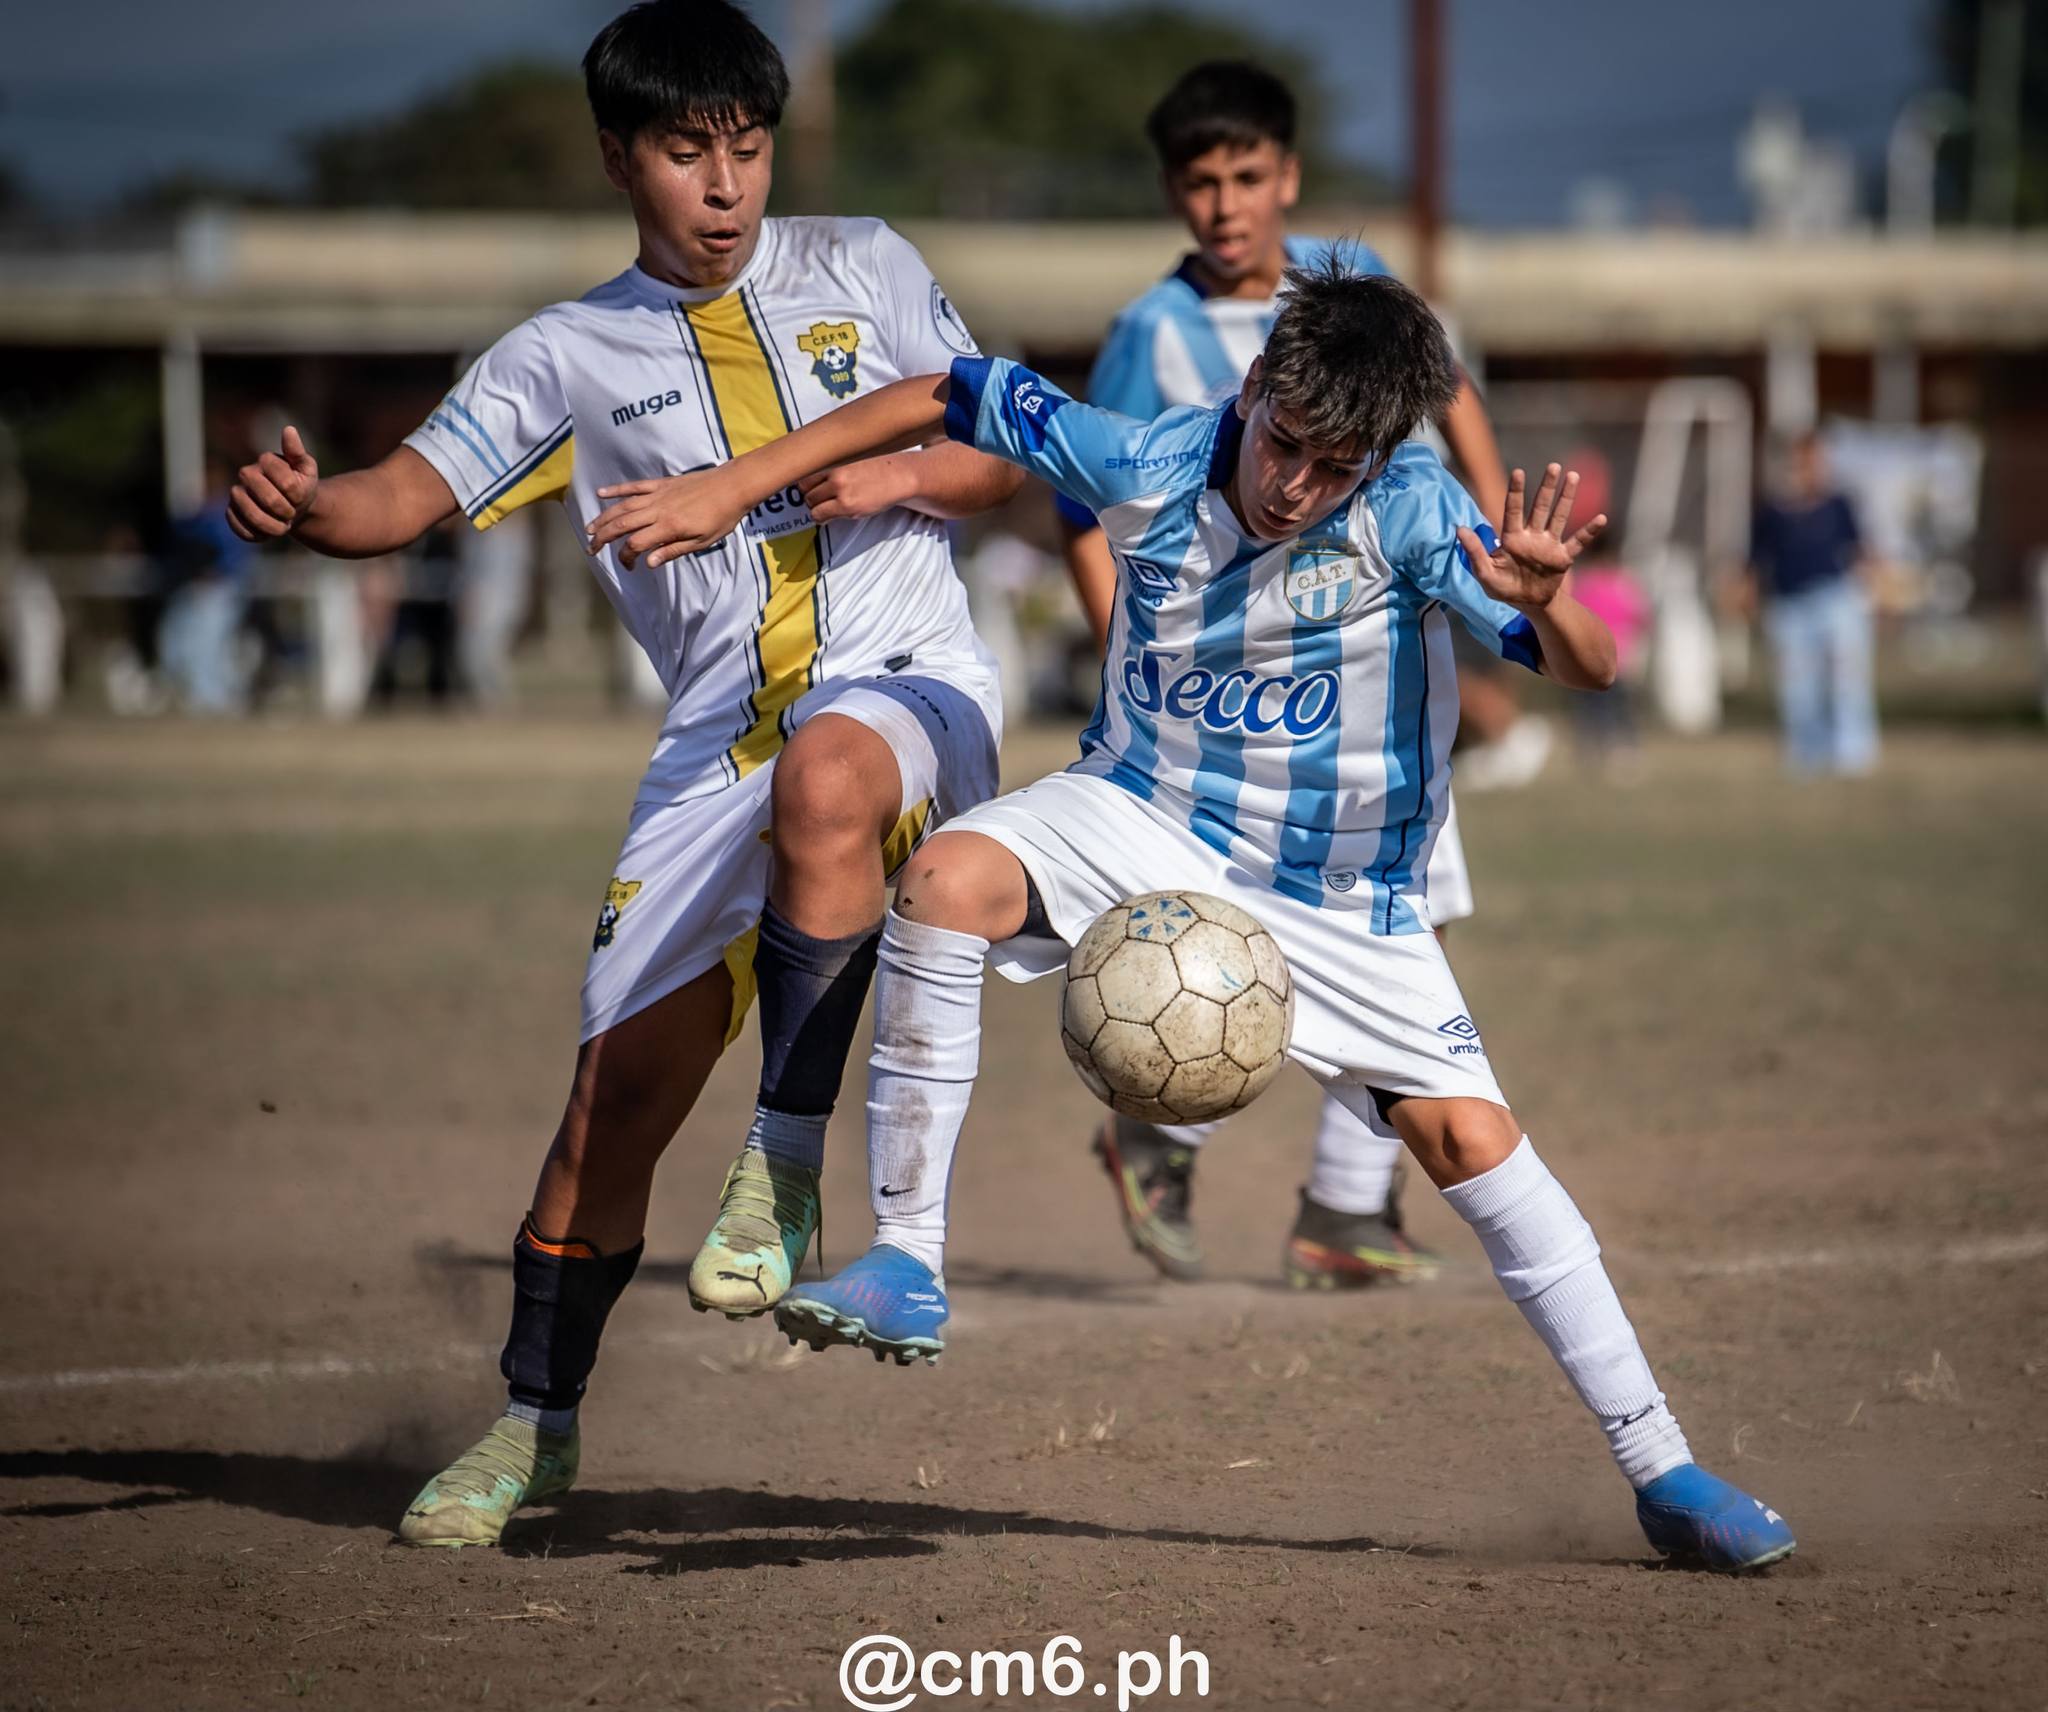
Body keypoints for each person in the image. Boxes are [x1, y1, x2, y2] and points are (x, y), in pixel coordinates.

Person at [589, 260, 1799, 1574]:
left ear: (1379, 462)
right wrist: (733, 483)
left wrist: (1545, 602)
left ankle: (1663, 1467)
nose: (1295, 484)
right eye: (1284, 442)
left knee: (1473, 1146)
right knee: (945, 882)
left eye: (1336, 467)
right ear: (1254, 388)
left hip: (1342, 897)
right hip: (1139, 816)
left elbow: (1591, 672)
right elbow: (945, 388)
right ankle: (908, 1259)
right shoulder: (1149, 454)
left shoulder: (1413, 515)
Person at [224, 0, 1021, 1548]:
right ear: (616, 157)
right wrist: (309, 511)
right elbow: (407, 492)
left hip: (911, 693)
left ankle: (787, 1164)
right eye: (684, 152)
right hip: (714, 754)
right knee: (608, 1119)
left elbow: (1000, 453)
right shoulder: (565, 352)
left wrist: (887, 476)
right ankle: (534, 1424)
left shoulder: (869, 262)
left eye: (747, 147)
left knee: (833, 783)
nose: (726, 186)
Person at [1056, 61, 1508, 1290]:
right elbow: (1085, 503)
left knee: (1417, 908)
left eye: (1245, 175)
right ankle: (1179, 1134)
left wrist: (1489, 536)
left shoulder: (1343, 283)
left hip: (1364, 666)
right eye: (1197, 182)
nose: (1223, 204)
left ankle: (1339, 1206)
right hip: (1234, 698)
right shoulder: (1149, 333)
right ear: (1170, 192)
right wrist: (1131, 649)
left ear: (1287, 177)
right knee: (1278, 921)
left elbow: (1446, 393)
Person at [1748, 432, 1878, 774]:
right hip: (1788, 604)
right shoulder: (1771, 512)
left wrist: (1878, 594)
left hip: (1836, 599)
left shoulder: (1839, 504)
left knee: (1846, 680)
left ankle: (1852, 755)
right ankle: (1805, 755)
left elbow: (1861, 552)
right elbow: (1753, 561)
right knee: (1797, 686)